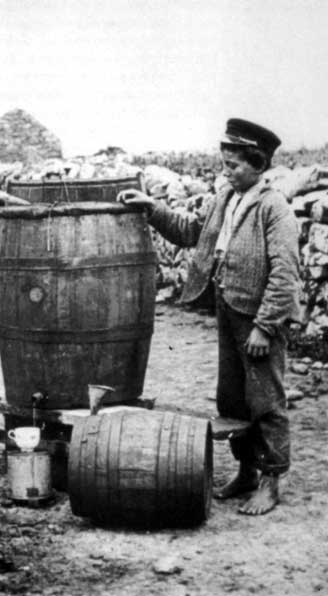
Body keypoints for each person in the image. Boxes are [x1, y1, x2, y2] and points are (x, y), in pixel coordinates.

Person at [119, 118, 301, 515]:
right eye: (224, 163)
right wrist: (152, 209)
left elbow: (286, 272)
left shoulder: (274, 209)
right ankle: (246, 472)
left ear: (259, 165)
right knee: (232, 398)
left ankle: (270, 482)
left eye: (233, 165)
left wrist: (265, 327)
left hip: (256, 318)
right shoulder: (225, 198)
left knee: (266, 400)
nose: (225, 171)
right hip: (228, 309)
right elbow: (191, 232)